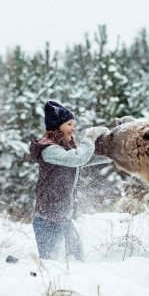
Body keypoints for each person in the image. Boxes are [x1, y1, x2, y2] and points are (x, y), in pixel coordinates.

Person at [30, 100, 107, 261]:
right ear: (58, 126)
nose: (73, 128)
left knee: (77, 261)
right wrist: (89, 138)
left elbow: (84, 158)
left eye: (73, 124)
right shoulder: (50, 150)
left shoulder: (64, 149)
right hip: (47, 220)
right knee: (51, 265)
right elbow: (78, 159)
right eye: (69, 124)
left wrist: (115, 156)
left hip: (63, 217)